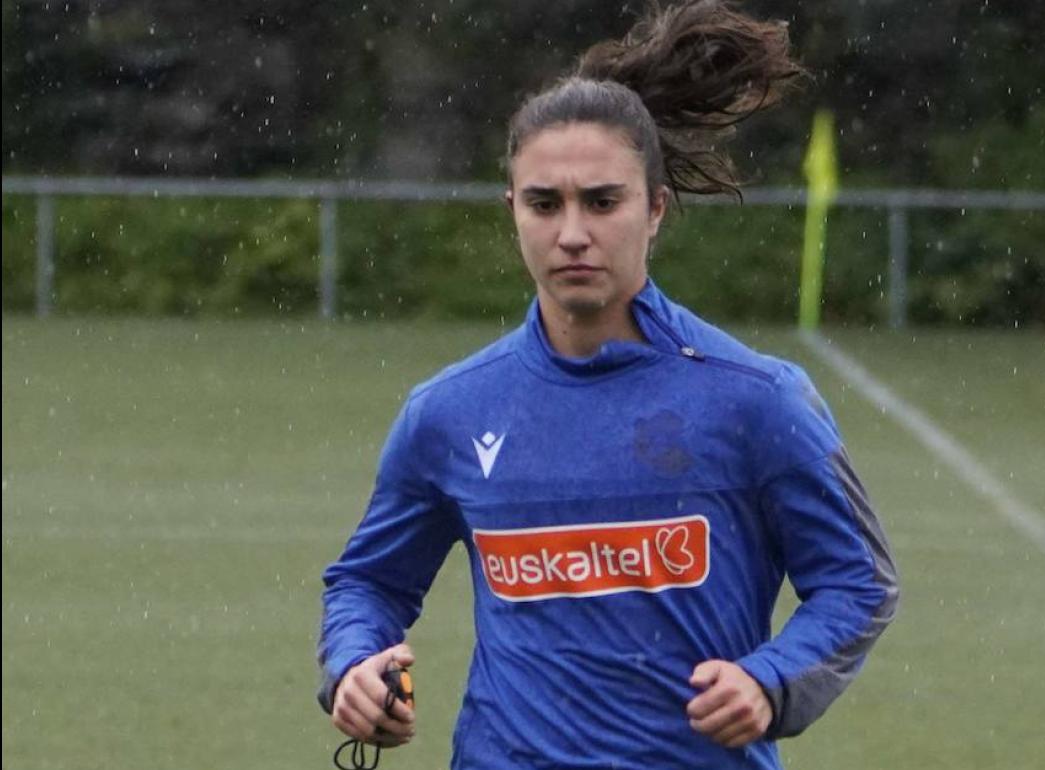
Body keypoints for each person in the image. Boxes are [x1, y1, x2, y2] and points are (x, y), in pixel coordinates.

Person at [317, 2, 899, 767]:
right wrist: (355, 667)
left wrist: (772, 681)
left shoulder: (759, 400)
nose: (572, 234)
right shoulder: (449, 413)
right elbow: (367, 581)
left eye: (602, 201)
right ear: (512, 212)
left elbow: (858, 581)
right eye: (544, 203)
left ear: (655, 208)